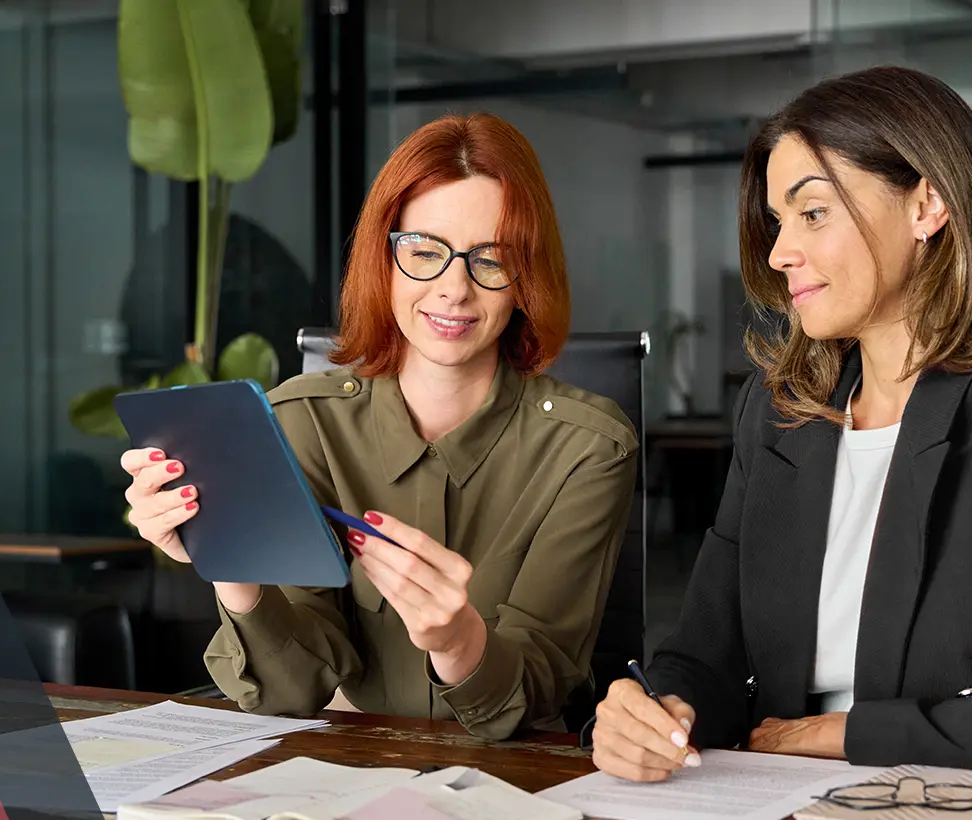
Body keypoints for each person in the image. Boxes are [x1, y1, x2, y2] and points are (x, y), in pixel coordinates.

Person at [589, 66, 972, 784]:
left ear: (929, 205)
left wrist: (841, 735)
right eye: (777, 220)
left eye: (813, 212)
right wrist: (659, 714)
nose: (777, 252)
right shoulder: (780, 412)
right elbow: (706, 658)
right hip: (778, 803)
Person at [120, 114, 639, 740]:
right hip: (345, 773)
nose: (454, 291)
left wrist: (457, 641)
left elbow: (540, 691)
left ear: (526, 278)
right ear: (385, 258)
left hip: (518, 781)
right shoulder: (302, 422)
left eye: (491, 261)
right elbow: (295, 690)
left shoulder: (588, 447)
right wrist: (228, 557)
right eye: (424, 252)